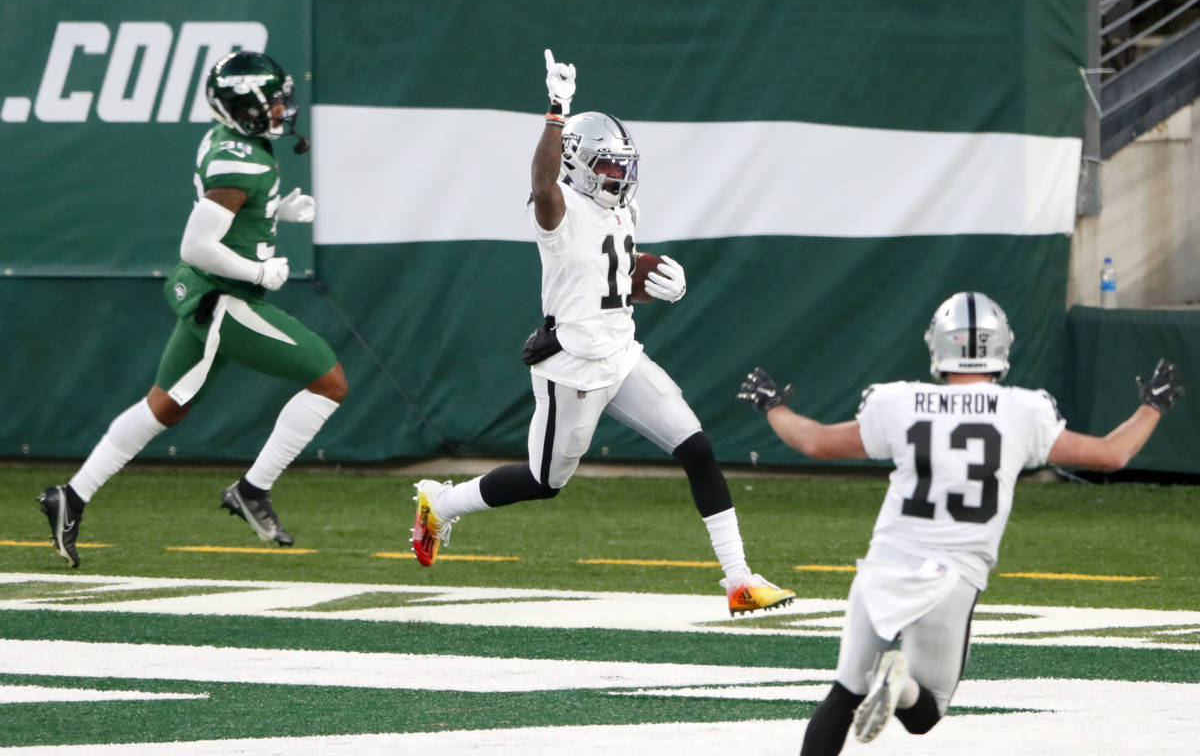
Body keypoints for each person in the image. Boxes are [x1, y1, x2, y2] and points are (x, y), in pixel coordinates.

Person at [409, 49, 795, 616]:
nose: (620, 174)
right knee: (545, 480)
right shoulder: (558, 208)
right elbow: (543, 186)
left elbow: (610, 284)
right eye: (609, 164)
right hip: (574, 368)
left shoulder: (622, 210)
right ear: (579, 162)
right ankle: (441, 504)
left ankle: (738, 579)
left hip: (620, 354)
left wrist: (660, 286)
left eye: (623, 164)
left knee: (698, 449)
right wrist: (555, 114)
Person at [736, 290, 1183, 753]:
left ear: (938, 345)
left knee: (845, 693)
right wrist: (1152, 406)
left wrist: (773, 406)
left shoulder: (900, 402)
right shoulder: (1022, 410)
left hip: (887, 564)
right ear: (1002, 346)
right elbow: (1112, 454)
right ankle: (902, 687)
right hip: (952, 575)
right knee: (926, 713)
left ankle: (887, 679)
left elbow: (815, 442)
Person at [37, 51, 347, 567]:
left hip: (209, 291)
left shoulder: (233, 144)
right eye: (271, 102)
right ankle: (253, 489)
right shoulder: (239, 160)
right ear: (242, 108)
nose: (281, 109)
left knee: (165, 405)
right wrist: (259, 272)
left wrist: (274, 210)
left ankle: (70, 495)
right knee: (330, 382)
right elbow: (197, 245)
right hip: (225, 297)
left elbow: (228, 211)